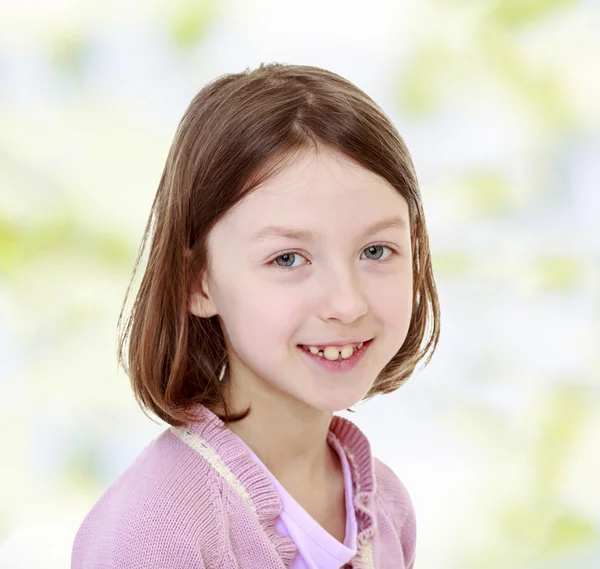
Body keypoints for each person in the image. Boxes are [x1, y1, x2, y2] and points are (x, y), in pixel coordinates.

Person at [71, 62, 440, 569]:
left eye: (376, 251)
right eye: (288, 258)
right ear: (198, 282)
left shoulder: (388, 506)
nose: (347, 304)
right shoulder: (156, 530)